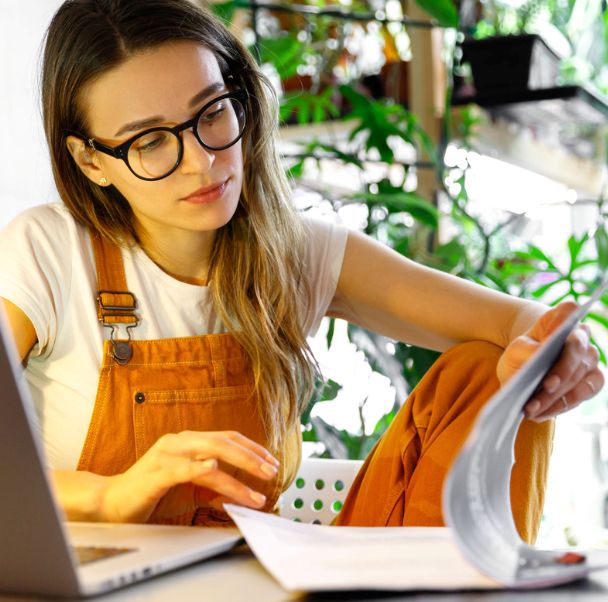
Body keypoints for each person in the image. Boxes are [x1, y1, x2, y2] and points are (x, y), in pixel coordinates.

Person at [0, 0, 602, 544]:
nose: (203, 161)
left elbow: (520, 324)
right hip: (100, 582)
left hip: (260, 577)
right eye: (150, 141)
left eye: (211, 112)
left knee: (490, 371)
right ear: (90, 160)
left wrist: (558, 348)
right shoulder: (47, 251)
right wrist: (110, 495)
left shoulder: (296, 250)